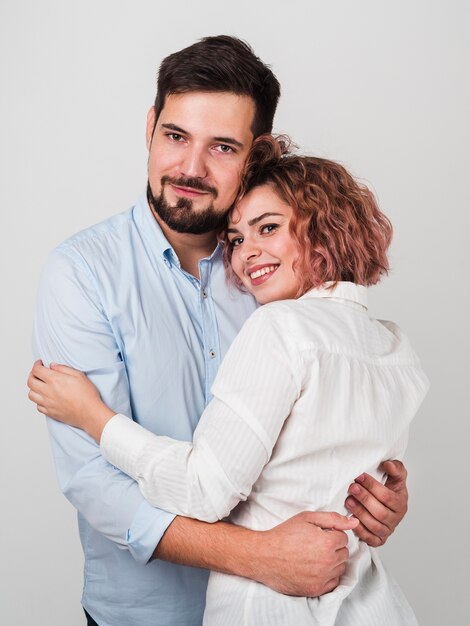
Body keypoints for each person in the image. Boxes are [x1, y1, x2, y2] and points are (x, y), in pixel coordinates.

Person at [30, 36, 410, 626]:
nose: (189, 168)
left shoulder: (279, 277)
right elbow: (94, 482)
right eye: (176, 136)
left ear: (255, 154)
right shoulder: (81, 274)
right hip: (145, 613)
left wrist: (371, 501)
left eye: (222, 147)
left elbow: (323, 438)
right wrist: (258, 557)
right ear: (151, 125)